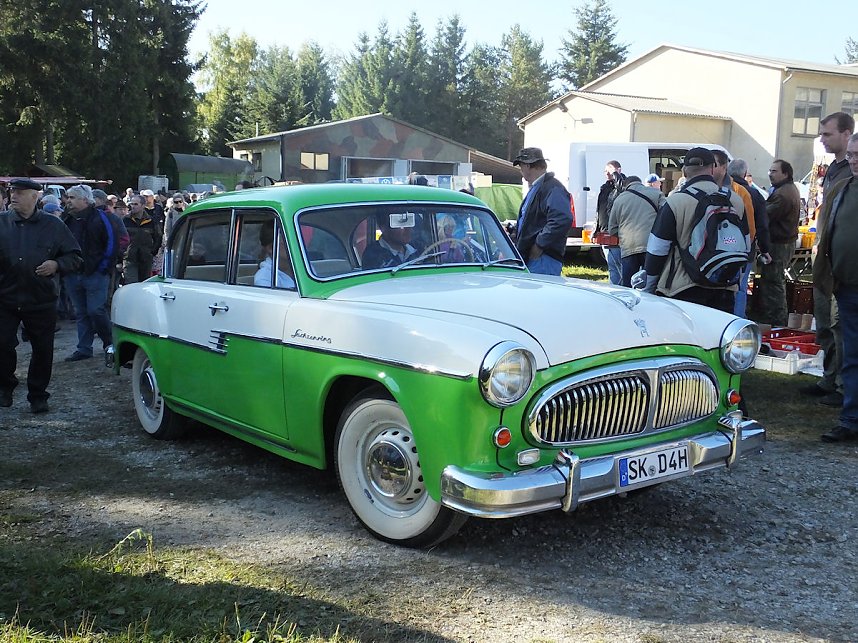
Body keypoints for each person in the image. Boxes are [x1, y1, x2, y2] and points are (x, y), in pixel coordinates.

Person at [0, 178, 82, 413]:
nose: (13, 196)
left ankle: (38, 395)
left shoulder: (53, 225)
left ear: (35, 196)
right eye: (12, 192)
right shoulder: (2, 223)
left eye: (20, 192)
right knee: (2, 344)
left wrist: (56, 264)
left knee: (42, 349)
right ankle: (5, 387)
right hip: (5, 298)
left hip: (40, 299)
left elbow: (75, 257)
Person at [639, 147, 748, 313]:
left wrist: (649, 286)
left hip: (683, 288)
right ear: (712, 169)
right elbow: (745, 242)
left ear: (684, 171)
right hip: (725, 286)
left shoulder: (676, 202)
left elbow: (657, 249)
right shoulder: (735, 200)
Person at [802, 112, 855, 407]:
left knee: (839, 323)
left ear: (847, 134)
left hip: (842, 264)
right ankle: (829, 376)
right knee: (823, 320)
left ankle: (842, 386)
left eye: (828, 134)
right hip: (824, 254)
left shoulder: (851, 170)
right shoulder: (834, 168)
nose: (822, 139)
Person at [813, 133, 858, 442]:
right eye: (853, 154)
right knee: (852, 357)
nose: (854, 160)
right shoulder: (842, 188)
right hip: (848, 288)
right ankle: (851, 419)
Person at [63, 184, 116, 362]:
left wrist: (102, 268)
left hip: (95, 273)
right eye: (67, 197)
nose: (68, 201)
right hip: (73, 273)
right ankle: (84, 348)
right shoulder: (67, 219)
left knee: (96, 310)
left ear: (85, 200)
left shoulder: (101, 217)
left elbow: (111, 244)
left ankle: (110, 343)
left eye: (72, 198)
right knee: (81, 312)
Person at [511, 147, 573, 276]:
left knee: (540, 294)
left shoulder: (552, 188)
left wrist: (539, 244)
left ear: (528, 166)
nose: (521, 170)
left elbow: (561, 219)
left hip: (544, 257)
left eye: (521, 166)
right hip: (536, 257)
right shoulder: (540, 187)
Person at [758, 159, 801, 326]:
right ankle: (775, 319)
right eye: (769, 170)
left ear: (786, 173)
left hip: (780, 244)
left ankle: (777, 322)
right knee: (773, 281)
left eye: (774, 171)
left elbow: (765, 215)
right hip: (782, 242)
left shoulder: (783, 193)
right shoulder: (784, 189)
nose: (770, 174)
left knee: (773, 282)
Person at [728, 158, 772, 318]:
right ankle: (737, 320)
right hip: (745, 249)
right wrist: (765, 249)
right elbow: (761, 225)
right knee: (740, 287)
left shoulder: (723, 189)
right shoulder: (754, 194)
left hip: (721, 248)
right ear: (745, 174)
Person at [607, 175, 665, 286]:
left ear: (625, 186)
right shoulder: (656, 194)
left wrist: (623, 236)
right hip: (651, 245)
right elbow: (666, 218)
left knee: (628, 285)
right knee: (651, 284)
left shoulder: (619, 199)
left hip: (628, 247)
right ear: (640, 182)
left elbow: (612, 228)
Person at [595, 160, 625, 284]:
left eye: (610, 170)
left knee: (620, 267)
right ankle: (614, 288)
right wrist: (596, 229)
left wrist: (616, 175)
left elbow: (621, 188)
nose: (607, 173)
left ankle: (624, 289)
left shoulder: (621, 185)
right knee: (612, 266)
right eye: (606, 171)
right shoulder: (605, 187)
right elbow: (600, 209)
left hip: (616, 232)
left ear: (618, 170)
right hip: (604, 232)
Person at [124, 195, 162, 283]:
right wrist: (122, 254)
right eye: (131, 204)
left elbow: (158, 237)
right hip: (129, 258)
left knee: (144, 284)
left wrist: (152, 252)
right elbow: (120, 238)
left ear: (143, 205)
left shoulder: (151, 221)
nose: (133, 206)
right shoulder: (125, 220)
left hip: (146, 259)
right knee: (131, 284)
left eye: (136, 204)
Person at [254, 220, 296, 289]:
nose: (294, 245)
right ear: (271, 248)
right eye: (286, 242)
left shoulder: (302, 266)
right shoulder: (264, 277)